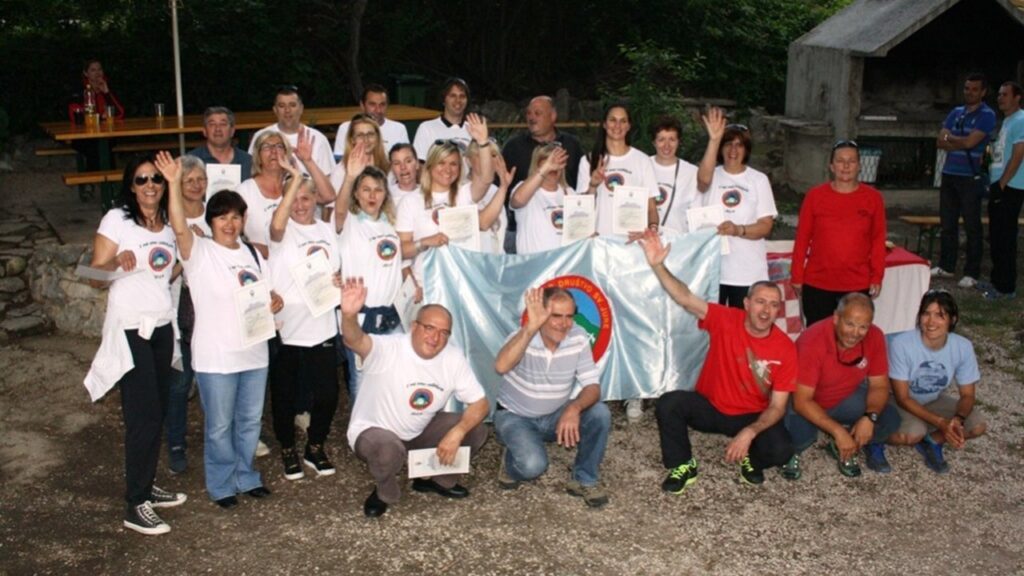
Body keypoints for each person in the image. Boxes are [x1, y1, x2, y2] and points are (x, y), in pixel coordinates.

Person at [155, 151, 283, 509]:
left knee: (249, 421)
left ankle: (246, 475)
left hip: (254, 354)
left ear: (244, 220)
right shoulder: (200, 253)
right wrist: (173, 184)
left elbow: (267, 294)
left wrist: (274, 301)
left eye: (236, 217)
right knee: (219, 426)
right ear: (211, 221)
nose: (229, 224)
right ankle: (222, 483)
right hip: (217, 356)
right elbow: (179, 226)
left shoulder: (253, 255)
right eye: (222, 217)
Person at [638, 229, 796, 491]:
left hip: (750, 414)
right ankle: (683, 464)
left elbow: (778, 406)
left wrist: (750, 431)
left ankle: (752, 460)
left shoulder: (786, 348)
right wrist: (658, 266)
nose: (766, 310)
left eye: (773, 304)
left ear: (779, 310)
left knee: (782, 450)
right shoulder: (726, 319)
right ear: (746, 303)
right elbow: (685, 298)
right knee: (669, 404)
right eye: (760, 302)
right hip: (711, 406)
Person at [84, 154, 186, 535]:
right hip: (130, 330)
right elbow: (92, 275)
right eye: (142, 179)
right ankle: (135, 503)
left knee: (157, 411)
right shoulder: (117, 220)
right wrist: (114, 263)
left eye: (156, 179)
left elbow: (168, 270)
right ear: (131, 185)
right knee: (142, 416)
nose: (150, 185)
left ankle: (145, 483)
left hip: (160, 327)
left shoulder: (167, 224)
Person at [342, 279, 489, 518]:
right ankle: (385, 491)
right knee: (387, 450)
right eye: (429, 328)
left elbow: (481, 403)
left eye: (443, 332)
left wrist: (458, 432)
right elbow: (355, 340)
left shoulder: (452, 357)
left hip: (417, 431)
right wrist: (349, 316)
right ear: (414, 326)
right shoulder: (388, 348)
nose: (435, 337)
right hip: (375, 431)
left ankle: (435, 479)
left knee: (476, 429)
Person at [493, 287, 611, 508]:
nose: (564, 324)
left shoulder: (578, 336)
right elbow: (500, 366)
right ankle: (511, 458)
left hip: (554, 414)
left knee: (600, 413)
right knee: (533, 467)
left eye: (569, 316)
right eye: (556, 316)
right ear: (541, 314)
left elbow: (592, 386)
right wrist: (530, 329)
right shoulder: (522, 336)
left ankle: (585, 479)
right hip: (515, 416)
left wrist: (574, 408)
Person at [267, 166, 341, 481]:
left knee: (327, 394)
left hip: (322, 322)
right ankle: (287, 448)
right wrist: (295, 179)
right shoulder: (281, 231)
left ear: (315, 200)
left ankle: (315, 445)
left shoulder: (326, 229)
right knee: (284, 395)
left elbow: (335, 267)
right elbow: (276, 225)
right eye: (293, 198)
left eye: (306, 198)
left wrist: (337, 279)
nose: (300, 205)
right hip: (289, 325)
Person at [782, 293, 900, 480]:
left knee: (890, 419)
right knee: (801, 439)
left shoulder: (875, 336)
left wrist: (869, 417)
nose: (855, 333)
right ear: (836, 318)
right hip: (806, 403)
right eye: (850, 324)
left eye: (863, 327)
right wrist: (838, 431)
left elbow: (879, 385)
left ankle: (844, 444)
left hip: (843, 398)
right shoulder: (812, 340)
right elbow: (801, 401)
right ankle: (806, 446)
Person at [887, 290, 987, 474]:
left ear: (952, 320)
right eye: (926, 314)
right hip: (897, 399)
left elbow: (967, 395)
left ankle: (933, 440)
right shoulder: (902, 344)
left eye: (940, 315)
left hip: (932, 398)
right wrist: (941, 422)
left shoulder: (963, 346)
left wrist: (958, 419)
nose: (931, 322)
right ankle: (874, 438)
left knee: (977, 426)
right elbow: (902, 398)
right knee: (912, 434)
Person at [396, 114, 496, 296]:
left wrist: (483, 143)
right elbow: (401, 251)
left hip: (463, 285)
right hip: (427, 287)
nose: (448, 169)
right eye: (441, 163)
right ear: (429, 166)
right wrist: (425, 242)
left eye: (453, 164)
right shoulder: (410, 201)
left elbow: (486, 179)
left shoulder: (464, 193)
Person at [790, 140, 887, 326]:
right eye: (840, 161)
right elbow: (802, 238)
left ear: (859, 166)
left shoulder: (873, 198)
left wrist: (877, 276)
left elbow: (878, 240)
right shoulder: (815, 196)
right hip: (818, 283)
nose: (846, 166)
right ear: (832, 166)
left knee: (851, 335)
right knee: (818, 335)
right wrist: (796, 275)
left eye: (851, 161)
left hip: (856, 284)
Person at [335, 161, 404, 401]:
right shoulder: (350, 222)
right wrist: (350, 177)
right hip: (362, 318)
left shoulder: (391, 223)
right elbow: (339, 210)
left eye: (378, 189)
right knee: (362, 382)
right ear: (356, 193)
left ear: (386, 194)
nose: (372, 195)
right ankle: (361, 425)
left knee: (393, 380)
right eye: (366, 189)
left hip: (392, 317)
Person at [695, 107, 778, 309]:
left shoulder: (758, 180)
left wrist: (738, 230)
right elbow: (702, 181)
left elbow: (766, 226)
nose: (733, 150)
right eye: (728, 144)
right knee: (712, 326)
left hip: (747, 273)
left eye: (739, 145)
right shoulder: (711, 174)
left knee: (742, 326)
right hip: (713, 272)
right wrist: (714, 140)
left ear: (746, 150)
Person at [165, 155, 213, 475]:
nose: (196, 185)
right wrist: (189, 250)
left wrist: (207, 242)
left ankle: (223, 440)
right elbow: (163, 274)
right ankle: (176, 444)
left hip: (213, 314)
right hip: (182, 313)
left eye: (200, 179)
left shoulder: (217, 214)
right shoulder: (168, 221)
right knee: (180, 384)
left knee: (216, 382)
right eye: (189, 180)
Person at [933, 73, 997, 288]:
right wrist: (957, 140)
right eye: (967, 88)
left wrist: (951, 138)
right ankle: (947, 265)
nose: (969, 93)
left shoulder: (987, 115)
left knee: (972, 225)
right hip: (950, 173)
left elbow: (971, 142)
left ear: (983, 92)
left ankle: (972, 271)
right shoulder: (956, 112)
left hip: (970, 176)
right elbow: (940, 141)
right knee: (947, 223)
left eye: (974, 89)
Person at [502, 96, 586, 252]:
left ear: (553, 116)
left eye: (537, 113)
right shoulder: (513, 146)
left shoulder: (572, 144)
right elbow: (514, 198)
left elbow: (581, 188)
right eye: (528, 113)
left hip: (564, 245)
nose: (531, 117)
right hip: (521, 227)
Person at [238, 129, 332, 258]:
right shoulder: (244, 190)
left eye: (279, 146)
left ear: (287, 154)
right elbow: (232, 232)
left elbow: (328, 196)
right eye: (266, 147)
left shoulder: (297, 182)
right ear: (258, 157)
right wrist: (261, 250)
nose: (273, 151)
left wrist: (308, 160)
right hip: (260, 261)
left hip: (301, 260)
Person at [576, 103, 659, 239]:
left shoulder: (642, 160)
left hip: (633, 242)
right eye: (612, 120)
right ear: (604, 124)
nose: (617, 126)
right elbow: (581, 210)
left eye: (623, 121)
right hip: (600, 241)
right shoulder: (588, 160)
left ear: (629, 126)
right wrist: (593, 186)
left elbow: (651, 208)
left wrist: (651, 231)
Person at [982, 81, 1024, 300]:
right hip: (998, 183)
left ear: (1017, 97)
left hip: (1011, 186)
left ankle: (1006, 287)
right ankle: (997, 281)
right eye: (999, 94)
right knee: (996, 235)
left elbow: (1018, 155)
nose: (1000, 98)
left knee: (1005, 237)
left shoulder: (1021, 120)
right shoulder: (1007, 121)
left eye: (1005, 94)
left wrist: (1002, 184)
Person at [248, 86, 335, 177]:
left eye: (292, 105)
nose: (287, 110)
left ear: (301, 109)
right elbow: (251, 173)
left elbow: (328, 178)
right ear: (275, 110)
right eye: (282, 106)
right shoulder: (261, 137)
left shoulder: (318, 139)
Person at [511, 144, 571, 254]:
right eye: (548, 161)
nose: (553, 166)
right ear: (537, 165)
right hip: (535, 263)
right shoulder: (525, 188)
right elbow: (518, 200)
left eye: (558, 161)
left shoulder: (570, 192)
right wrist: (546, 168)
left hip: (565, 262)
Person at [649, 116, 699, 235]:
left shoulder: (692, 173)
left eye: (672, 139)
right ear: (654, 142)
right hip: (645, 240)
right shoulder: (642, 166)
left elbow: (697, 213)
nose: (667, 145)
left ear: (679, 142)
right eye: (661, 139)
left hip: (678, 242)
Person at [333, 84, 410, 159]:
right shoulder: (346, 128)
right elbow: (339, 162)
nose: (378, 110)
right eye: (372, 104)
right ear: (362, 105)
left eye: (382, 104)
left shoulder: (399, 129)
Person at [412, 77, 472, 161]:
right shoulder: (426, 128)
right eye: (453, 96)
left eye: (462, 96)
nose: (458, 100)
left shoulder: (475, 130)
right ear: (444, 100)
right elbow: (420, 164)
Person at [188, 106, 253, 181]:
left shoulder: (248, 161)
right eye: (212, 124)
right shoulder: (191, 161)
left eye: (223, 124)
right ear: (204, 131)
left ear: (232, 131)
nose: (218, 129)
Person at [388, 143, 421, 208]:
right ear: (392, 168)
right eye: (397, 163)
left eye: (408, 161)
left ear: (417, 164)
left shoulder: (428, 194)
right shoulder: (386, 197)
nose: (403, 167)